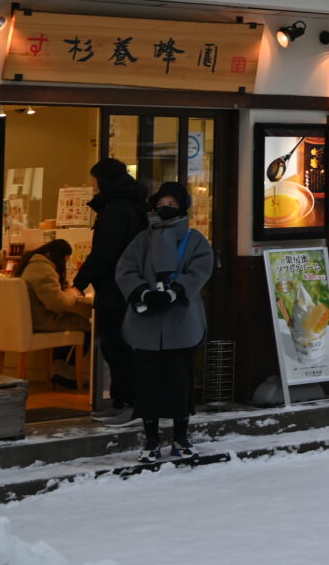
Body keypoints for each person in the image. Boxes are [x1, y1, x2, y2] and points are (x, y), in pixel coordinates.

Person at [116, 180, 212, 463]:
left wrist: (175, 291)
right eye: (161, 204)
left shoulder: (195, 239)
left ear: (182, 207)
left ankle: (181, 438)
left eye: (172, 205)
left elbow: (201, 269)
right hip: (146, 325)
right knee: (147, 384)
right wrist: (142, 292)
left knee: (180, 382)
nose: (166, 209)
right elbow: (125, 269)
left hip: (182, 323)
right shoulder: (142, 239)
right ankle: (151, 440)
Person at [72, 158, 150, 426]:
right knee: (122, 347)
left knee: (116, 347)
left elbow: (103, 253)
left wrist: (79, 282)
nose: (93, 186)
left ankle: (129, 404)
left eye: (94, 180)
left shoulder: (115, 211)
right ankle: (123, 403)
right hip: (131, 288)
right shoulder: (135, 206)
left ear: (103, 181)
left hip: (115, 289)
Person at [17, 239, 91, 382]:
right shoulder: (43, 269)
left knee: (75, 321)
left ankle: (60, 367)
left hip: (32, 320)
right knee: (87, 324)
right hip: (43, 321)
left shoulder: (31, 264)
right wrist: (73, 292)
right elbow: (58, 303)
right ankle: (65, 370)